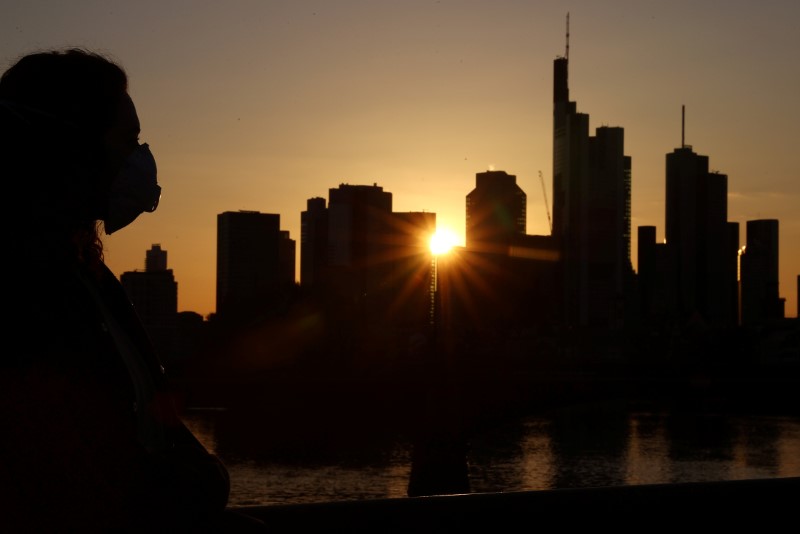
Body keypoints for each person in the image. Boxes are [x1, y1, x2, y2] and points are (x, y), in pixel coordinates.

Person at [0, 49, 265, 532]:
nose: (140, 160)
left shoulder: (89, 276)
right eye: (129, 140)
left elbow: (159, 428)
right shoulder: (24, 294)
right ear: (71, 145)